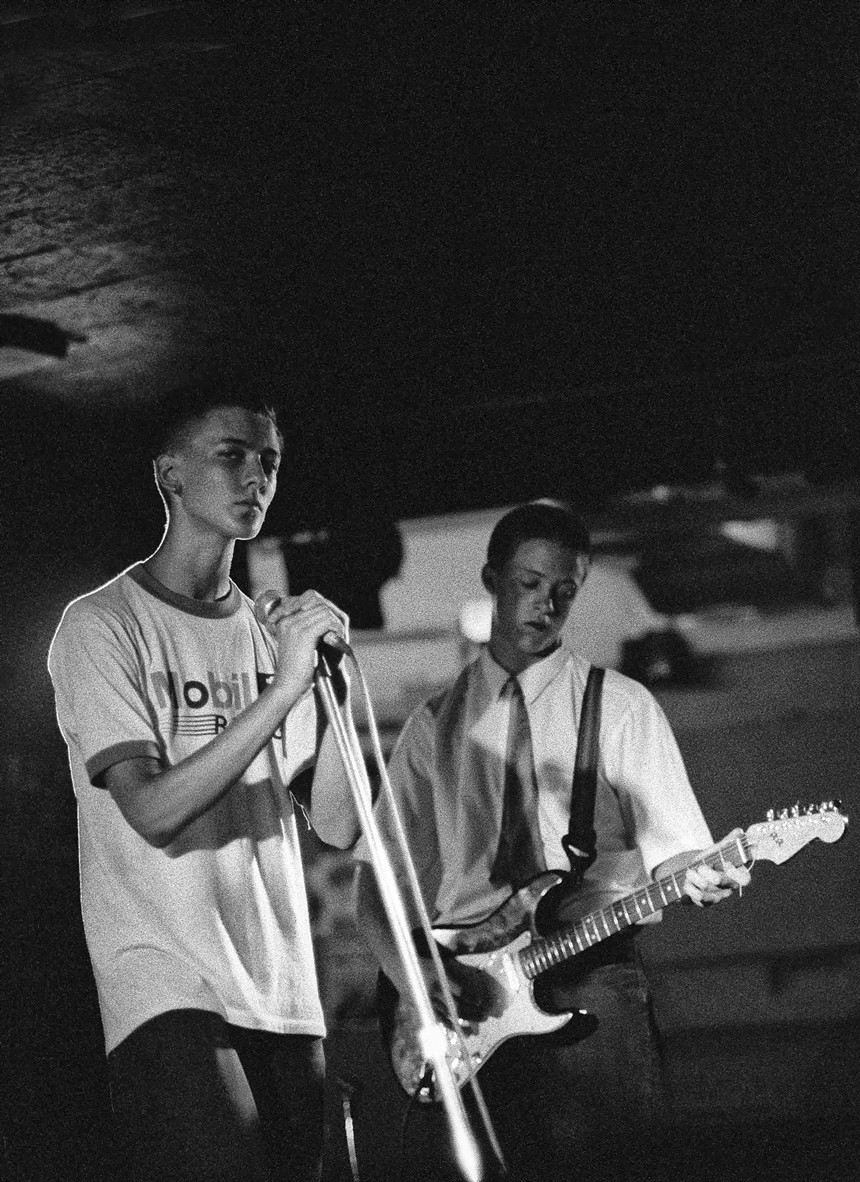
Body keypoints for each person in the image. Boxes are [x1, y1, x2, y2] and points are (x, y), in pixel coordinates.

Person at [352, 499, 751, 1182]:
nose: (546, 605)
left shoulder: (620, 706)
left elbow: (676, 848)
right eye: (530, 584)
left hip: (590, 977)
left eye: (565, 591)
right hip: (464, 993)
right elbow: (376, 887)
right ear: (492, 577)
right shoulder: (431, 727)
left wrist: (705, 872)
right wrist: (420, 984)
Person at [47, 382, 360, 1182]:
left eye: (269, 460)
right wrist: (282, 690)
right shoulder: (101, 624)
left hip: (280, 981)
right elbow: (150, 809)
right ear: (170, 476)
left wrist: (337, 697)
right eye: (232, 456)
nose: (256, 476)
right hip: (165, 982)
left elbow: (338, 825)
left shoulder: (269, 633)